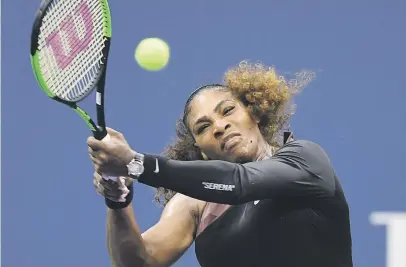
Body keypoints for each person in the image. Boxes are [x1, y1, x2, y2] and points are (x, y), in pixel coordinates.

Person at [87, 61, 353, 267]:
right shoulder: (194, 205)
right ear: (201, 151)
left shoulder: (306, 160)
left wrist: (135, 164)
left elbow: (239, 183)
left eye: (227, 111)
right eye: (203, 127)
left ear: (255, 112)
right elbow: (139, 262)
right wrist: (118, 199)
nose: (219, 126)